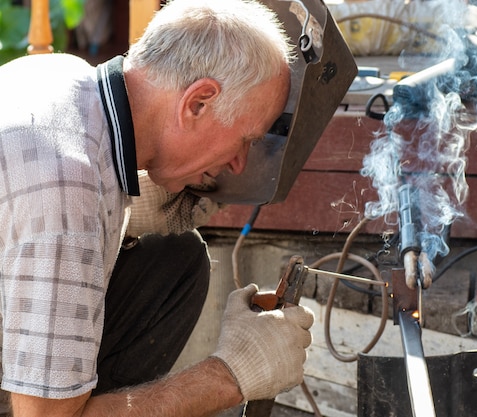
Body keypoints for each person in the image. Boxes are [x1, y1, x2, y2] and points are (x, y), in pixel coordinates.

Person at [0, 0, 315, 416]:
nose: (239, 164)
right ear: (198, 102)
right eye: (245, 140)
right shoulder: (67, 187)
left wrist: (123, 206)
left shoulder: (62, 75)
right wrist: (232, 374)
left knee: (175, 261)